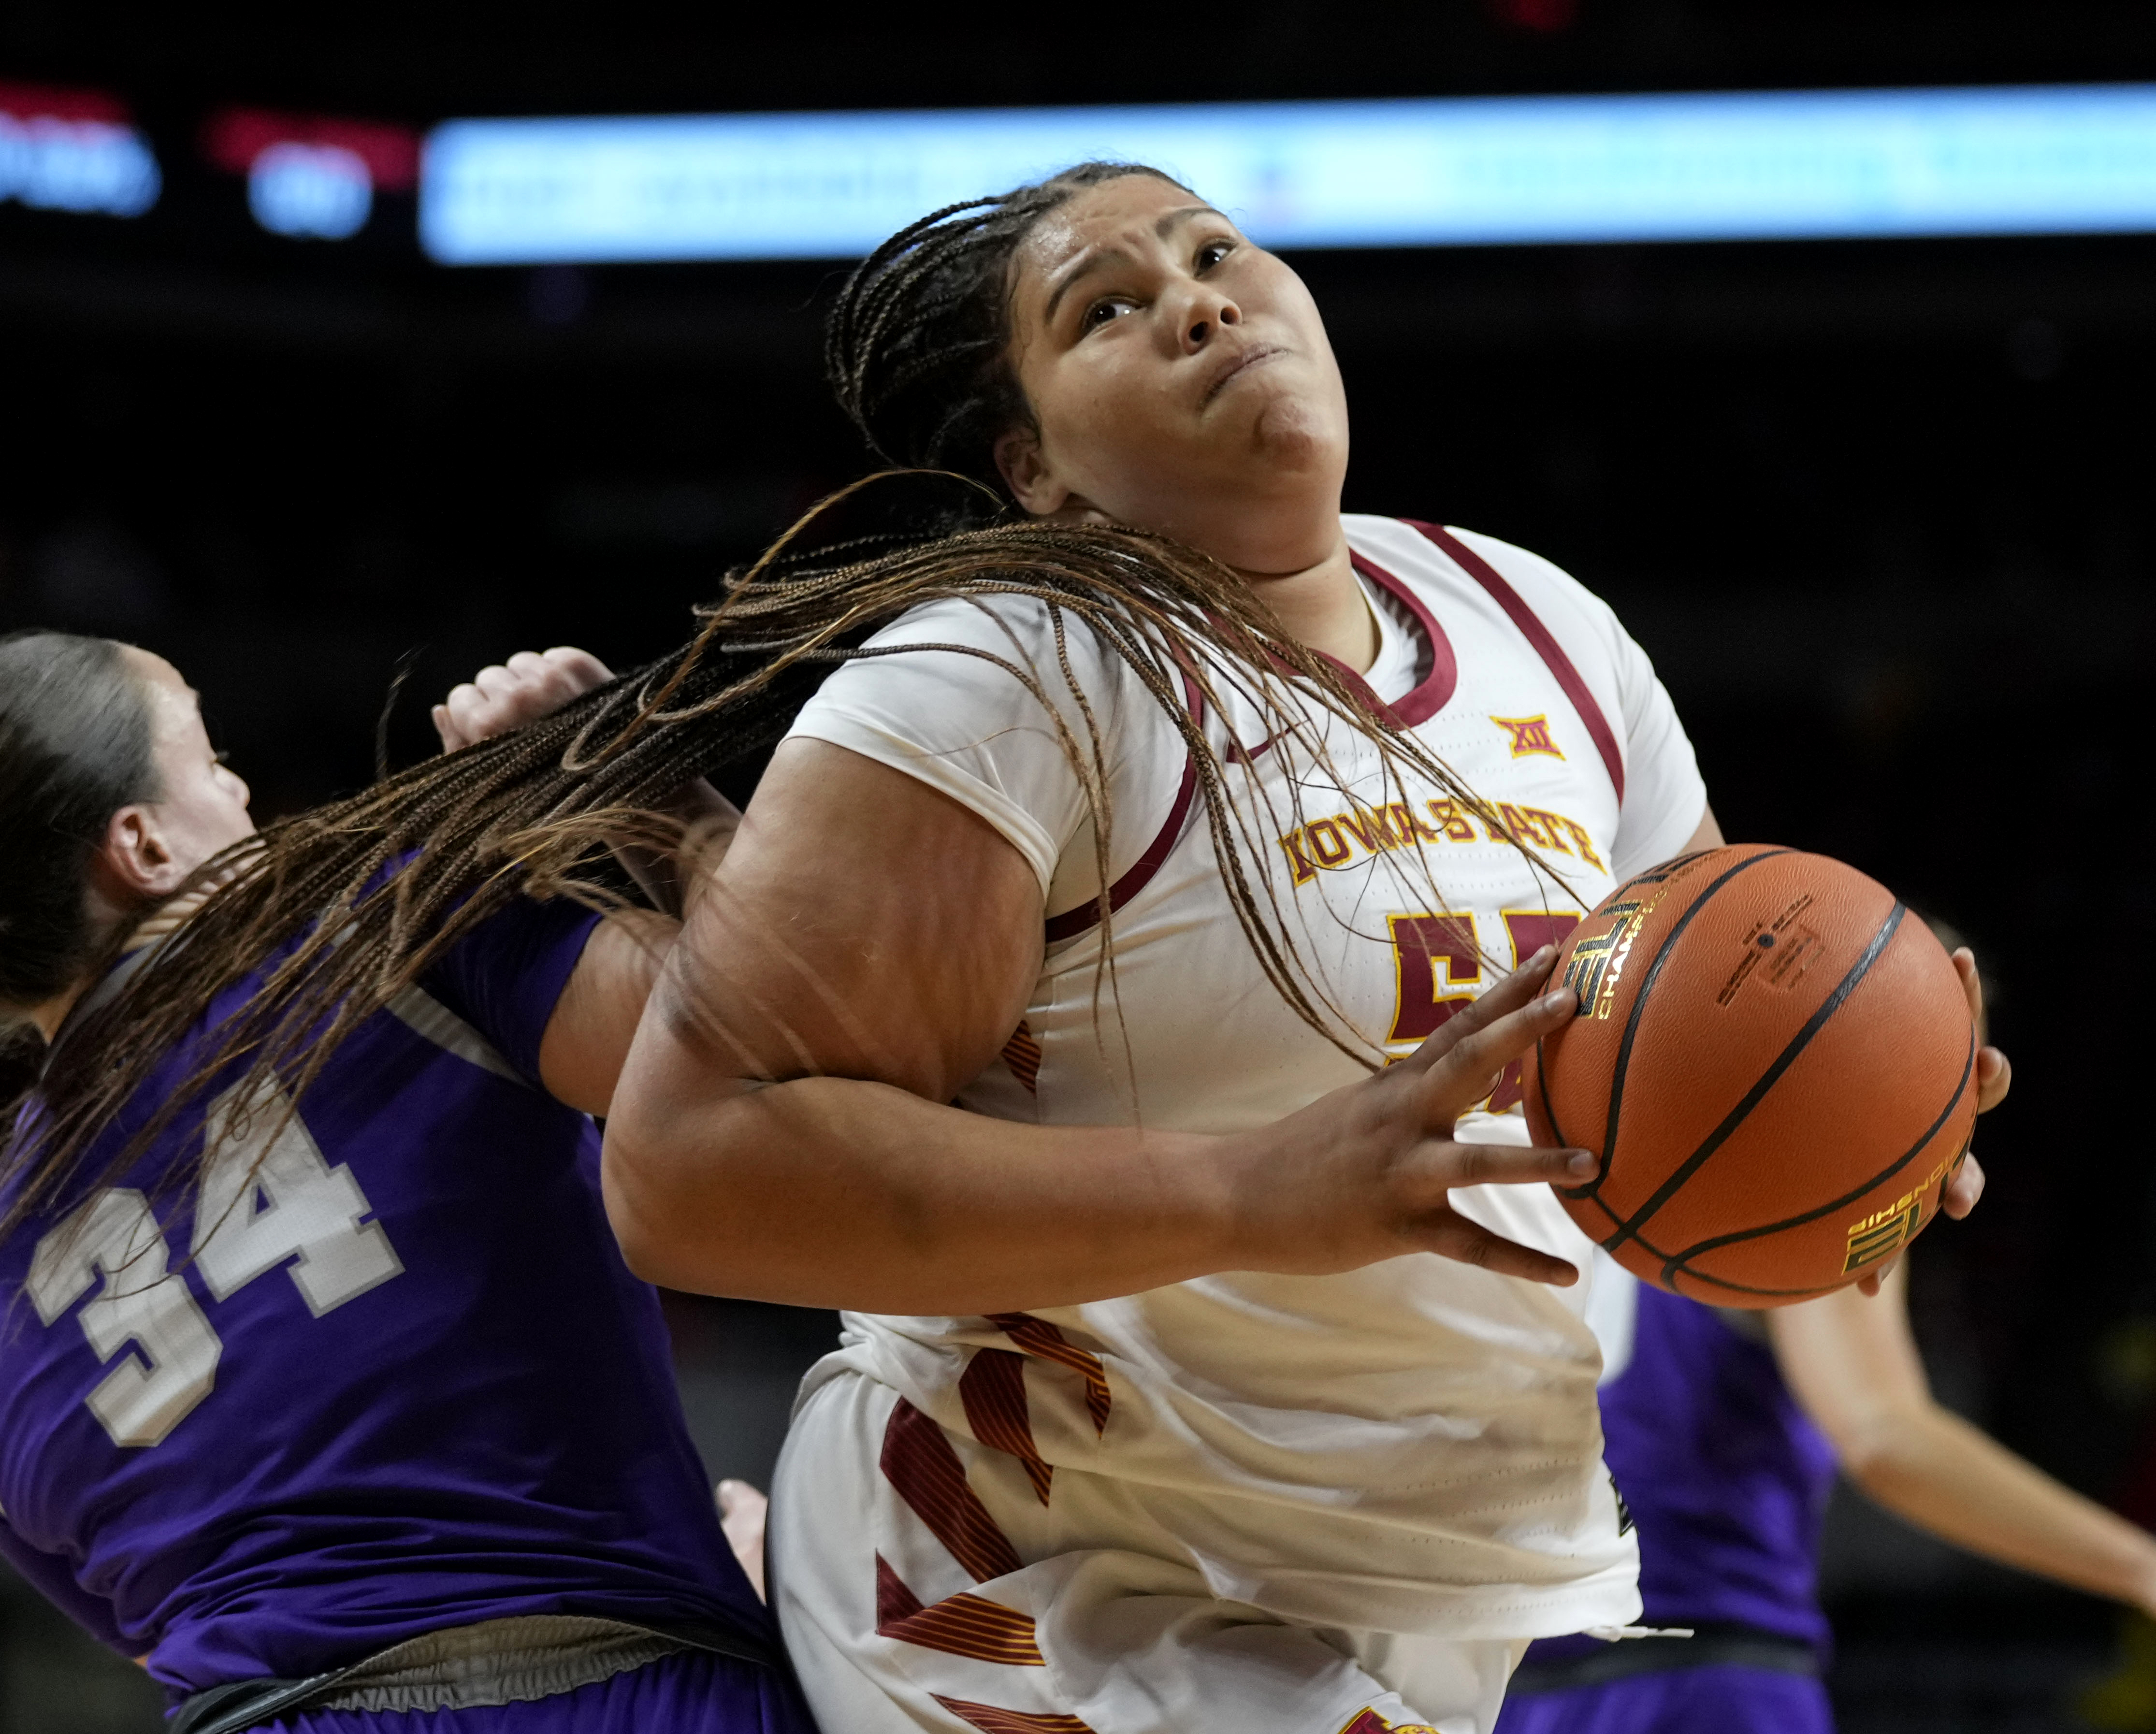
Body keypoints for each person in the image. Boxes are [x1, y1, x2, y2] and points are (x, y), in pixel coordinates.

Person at [579, 164, 2008, 1734]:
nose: (1195, 297)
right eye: (1106, 307)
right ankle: (794, 1576)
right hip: (1042, 1568)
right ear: (1034, 464)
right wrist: (1250, 1189)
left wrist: (1870, 1130)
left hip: (1419, 1594)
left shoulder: (1546, 624)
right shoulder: (996, 675)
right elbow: (688, 1162)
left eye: (1214, 252)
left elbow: (1705, 1006)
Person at [0, 631, 810, 1734]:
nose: (244, 787)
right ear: (144, 848)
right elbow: (794, 1031)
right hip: (615, 1685)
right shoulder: (388, 935)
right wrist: (652, 787)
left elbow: (182, 1635)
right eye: (210, 760)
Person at [1501, 954, 2151, 1734]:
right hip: (1705, 1680)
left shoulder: (1541, 1147)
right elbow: (1883, 1435)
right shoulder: (1809, 1192)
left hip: (1491, 1681)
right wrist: (2142, 1567)